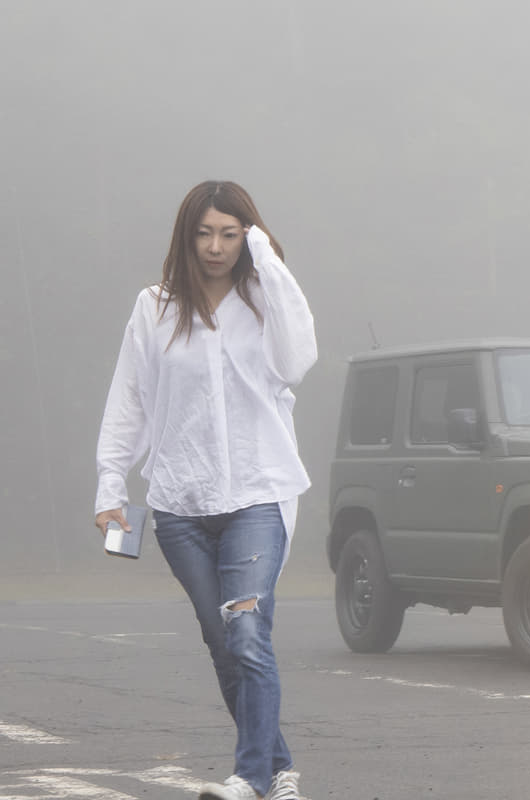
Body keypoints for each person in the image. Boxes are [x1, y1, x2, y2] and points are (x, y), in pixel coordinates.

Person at [94, 180, 317, 800]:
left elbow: (297, 362)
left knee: (247, 633)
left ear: (248, 236)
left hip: (258, 494)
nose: (216, 247)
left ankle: (249, 778)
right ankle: (277, 772)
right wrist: (110, 486)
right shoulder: (155, 307)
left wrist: (267, 258)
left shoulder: (265, 300)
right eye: (204, 233)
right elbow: (130, 400)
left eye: (230, 234)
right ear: (186, 237)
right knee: (224, 645)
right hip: (180, 503)